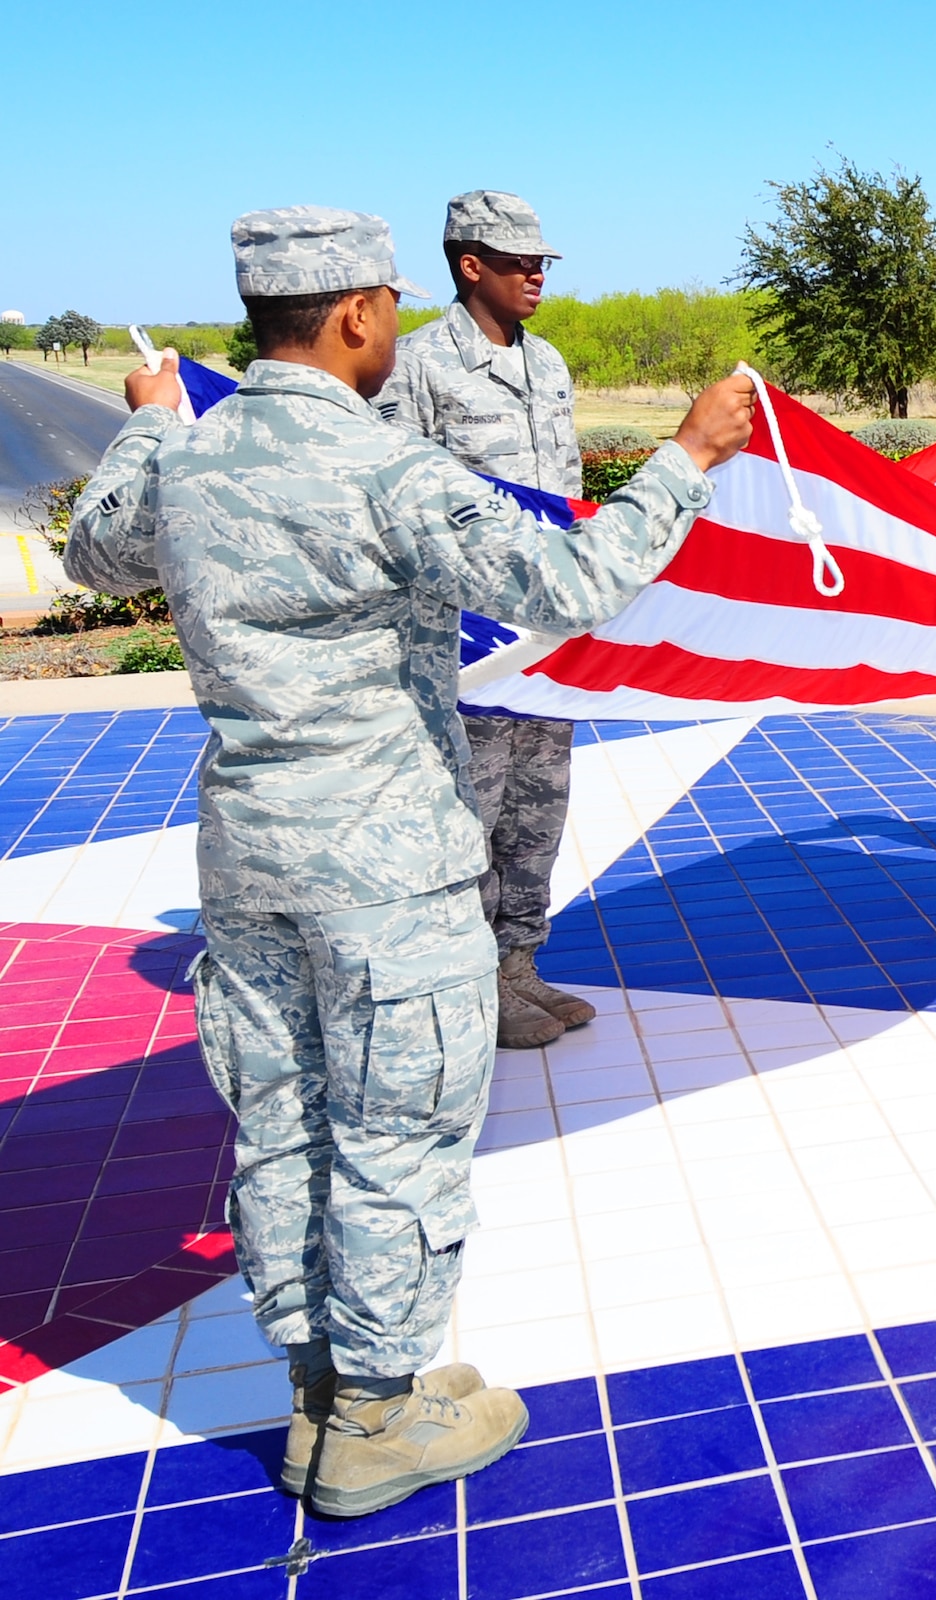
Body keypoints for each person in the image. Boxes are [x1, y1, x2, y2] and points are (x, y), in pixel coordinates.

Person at [65, 206, 754, 1517]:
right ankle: (371, 1425)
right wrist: (687, 456)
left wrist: (151, 413)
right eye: (382, 306)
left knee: (285, 1129)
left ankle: (324, 1392)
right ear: (358, 319)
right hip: (386, 872)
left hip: (251, 862)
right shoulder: (391, 471)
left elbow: (96, 545)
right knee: (396, 1139)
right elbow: (566, 581)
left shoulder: (190, 462)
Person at [372, 191, 591, 1052]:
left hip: (545, 636)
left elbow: (563, 501)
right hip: (468, 641)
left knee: (538, 811)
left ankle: (519, 967)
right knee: (471, 814)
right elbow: (398, 503)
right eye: (518, 262)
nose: (536, 275)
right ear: (470, 266)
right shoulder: (420, 367)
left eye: (542, 262)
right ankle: (469, 988)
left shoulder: (551, 366)